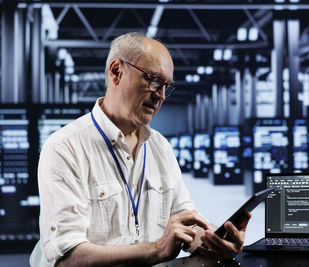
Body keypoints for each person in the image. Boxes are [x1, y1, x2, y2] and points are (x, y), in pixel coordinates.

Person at [30, 32, 251, 267]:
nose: (161, 96)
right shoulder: (65, 148)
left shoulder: (160, 148)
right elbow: (67, 258)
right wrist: (156, 250)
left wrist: (217, 239)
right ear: (116, 71)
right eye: (154, 80)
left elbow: (187, 223)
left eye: (167, 86)